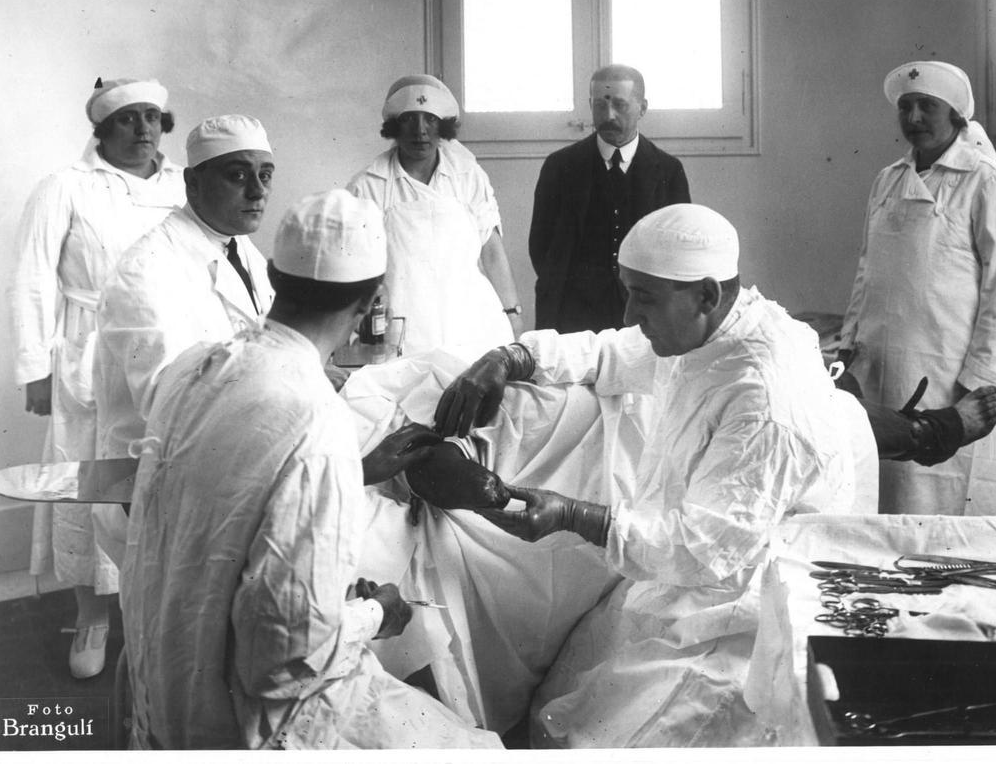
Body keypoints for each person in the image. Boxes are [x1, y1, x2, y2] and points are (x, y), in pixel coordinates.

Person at [436, 203, 860, 747]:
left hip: (740, 602)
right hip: (680, 574)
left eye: (644, 297)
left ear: (706, 294)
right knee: (564, 702)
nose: (631, 312)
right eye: (628, 291)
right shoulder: (706, 327)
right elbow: (612, 353)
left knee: (610, 738)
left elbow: (704, 548)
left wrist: (574, 515)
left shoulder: (765, 398)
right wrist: (512, 357)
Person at [120, 190, 501, 750]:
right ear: (374, 301)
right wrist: (377, 613)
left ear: (274, 276)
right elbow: (285, 663)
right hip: (243, 729)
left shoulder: (193, 367)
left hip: (158, 689)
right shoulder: (317, 423)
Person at [9, 77, 183, 679]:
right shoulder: (65, 186)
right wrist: (35, 369)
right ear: (102, 129)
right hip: (91, 353)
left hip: (170, 349)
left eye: (152, 116)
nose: (143, 129)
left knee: (161, 477)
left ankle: (157, 613)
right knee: (89, 480)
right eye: (128, 118)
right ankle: (92, 616)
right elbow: (32, 277)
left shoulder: (184, 184)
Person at [841, 61, 996, 515]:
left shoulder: (988, 183)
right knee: (887, 495)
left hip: (951, 379)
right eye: (905, 106)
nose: (913, 118)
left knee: (945, 501)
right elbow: (867, 270)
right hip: (883, 370)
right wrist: (849, 345)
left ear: (956, 114)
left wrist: (980, 385)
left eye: (927, 106)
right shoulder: (888, 179)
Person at [95, 114, 274, 464]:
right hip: (158, 469)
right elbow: (169, 399)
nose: (258, 191)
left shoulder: (239, 246)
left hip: (229, 449)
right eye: (238, 175)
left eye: (265, 175)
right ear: (192, 182)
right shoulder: (145, 269)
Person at [346, 74, 522, 359]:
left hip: (472, 324)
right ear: (395, 126)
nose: (420, 130)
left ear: (443, 126)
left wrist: (513, 313)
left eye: (430, 119)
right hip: (403, 328)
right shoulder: (368, 185)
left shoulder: (467, 176)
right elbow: (354, 265)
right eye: (409, 119)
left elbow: (491, 250)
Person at [529, 63, 690, 333]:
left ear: (643, 108)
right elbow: (541, 246)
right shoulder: (560, 167)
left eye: (620, 105)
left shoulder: (668, 170)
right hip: (572, 314)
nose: (608, 115)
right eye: (599, 105)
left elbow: (678, 251)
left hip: (644, 313)